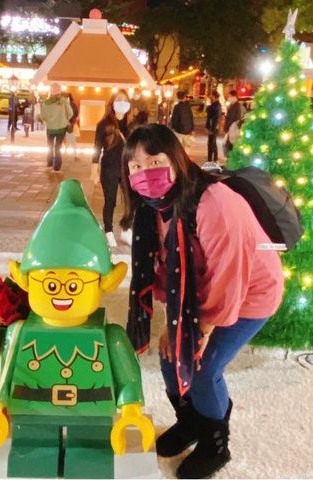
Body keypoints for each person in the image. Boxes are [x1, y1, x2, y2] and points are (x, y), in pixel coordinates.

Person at [120, 124, 284, 479]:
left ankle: (215, 443)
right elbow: (168, 270)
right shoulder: (154, 208)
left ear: (176, 159)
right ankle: (191, 421)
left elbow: (229, 274)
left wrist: (202, 329)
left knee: (202, 368)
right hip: (199, 295)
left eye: (155, 161)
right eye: (136, 166)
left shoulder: (214, 203)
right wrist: (174, 325)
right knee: (170, 358)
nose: (145, 172)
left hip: (249, 293)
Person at [91, 89, 133, 247]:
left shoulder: (131, 124)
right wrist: (94, 170)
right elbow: (97, 148)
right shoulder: (104, 124)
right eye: (119, 100)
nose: (122, 103)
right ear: (112, 104)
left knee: (130, 201)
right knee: (111, 201)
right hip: (109, 168)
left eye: (125, 100)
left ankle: (126, 230)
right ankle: (108, 231)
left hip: (128, 169)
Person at [40, 83, 73, 172]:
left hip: (50, 128)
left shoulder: (46, 102)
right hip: (61, 127)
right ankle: (57, 166)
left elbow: (43, 116)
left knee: (50, 146)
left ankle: (49, 162)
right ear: (59, 91)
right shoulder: (64, 101)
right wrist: (64, 119)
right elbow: (70, 113)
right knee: (58, 147)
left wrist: (49, 120)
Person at [224, 89, 245, 155]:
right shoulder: (232, 106)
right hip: (230, 130)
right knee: (229, 148)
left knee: (232, 148)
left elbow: (236, 119)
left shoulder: (237, 106)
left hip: (233, 130)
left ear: (234, 96)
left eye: (229, 96)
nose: (228, 98)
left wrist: (228, 128)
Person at [205, 90, 222, 163]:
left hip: (213, 127)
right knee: (211, 143)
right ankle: (211, 158)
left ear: (214, 96)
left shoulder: (217, 105)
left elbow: (216, 118)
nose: (210, 97)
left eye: (211, 95)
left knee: (212, 143)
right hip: (212, 126)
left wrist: (212, 129)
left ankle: (214, 159)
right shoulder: (214, 104)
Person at [64, 93, 79, 160]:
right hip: (70, 124)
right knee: (71, 139)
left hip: (63, 124)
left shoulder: (62, 104)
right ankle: (75, 155)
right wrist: (73, 120)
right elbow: (76, 113)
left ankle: (57, 154)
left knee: (60, 139)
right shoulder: (73, 104)